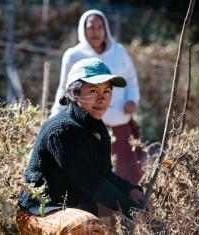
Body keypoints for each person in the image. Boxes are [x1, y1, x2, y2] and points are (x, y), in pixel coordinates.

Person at [17, 58, 152, 234]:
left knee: (88, 224)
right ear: (74, 93)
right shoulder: (62, 129)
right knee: (85, 225)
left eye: (107, 90)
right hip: (41, 213)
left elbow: (103, 174)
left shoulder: (97, 128)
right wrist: (131, 210)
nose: (102, 98)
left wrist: (129, 191)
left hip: (74, 212)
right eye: (93, 90)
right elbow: (89, 181)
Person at [51, 10, 142, 187]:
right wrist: (55, 120)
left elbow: (131, 80)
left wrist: (132, 100)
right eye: (91, 27)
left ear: (106, 29)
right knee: (93, 178)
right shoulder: (73, 55)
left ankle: (129, 214)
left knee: (127, 177)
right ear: (83, 30)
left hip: (119, 124)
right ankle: (98, 216)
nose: (96, 32)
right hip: (87, 128)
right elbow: (64, 89)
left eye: (100, 27)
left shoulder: (119, 52)